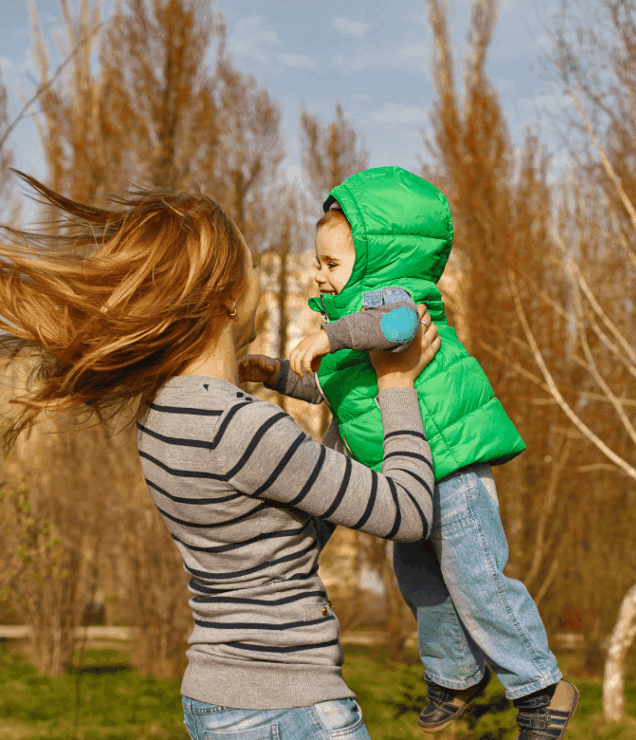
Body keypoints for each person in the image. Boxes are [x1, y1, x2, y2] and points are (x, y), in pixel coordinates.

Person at [0, 172, 445, 740]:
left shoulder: (163, 414)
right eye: (250, 268)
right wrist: (395, 384)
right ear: (226, 298)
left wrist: (346, 410)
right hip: (290, 707)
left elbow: (288, 539)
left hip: (217, 702)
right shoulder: (241, 427)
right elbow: (409, 513)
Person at [238, 166, 579, 739]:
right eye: (318, 262)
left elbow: (395, 328)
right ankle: (455, 676)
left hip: (452, 469)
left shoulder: (394, 302)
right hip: (410, 482)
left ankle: (542, 688)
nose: (318, 275)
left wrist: (328, 337)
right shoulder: (349, 325)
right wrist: (275, 373)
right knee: (420, 582)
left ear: (376, 260)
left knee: (476, 580)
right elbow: (331, 392)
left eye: (331, 264)